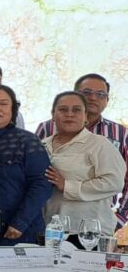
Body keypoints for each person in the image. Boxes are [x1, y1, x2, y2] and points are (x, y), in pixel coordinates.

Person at [36, 73, 128, 227]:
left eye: (100, 94)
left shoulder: (116, 135)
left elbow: (117, 181)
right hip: (48, 224)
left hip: (90, 226)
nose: (93, 98)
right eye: (87, 92)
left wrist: (120, 218)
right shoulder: (46, 131)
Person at [0, 84, 52, 245]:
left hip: (19, 231)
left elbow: (42, 183)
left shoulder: (27, 140)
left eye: (4, 104)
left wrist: (20, 222)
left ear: (13, 111)